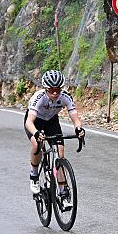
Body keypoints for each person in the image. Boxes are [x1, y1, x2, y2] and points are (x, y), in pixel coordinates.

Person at [24, 70, 85, 207]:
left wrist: (78, 129)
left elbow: (75, 118)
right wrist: (36, 133)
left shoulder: (65, 97)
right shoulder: (38, 98)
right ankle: (34, 176)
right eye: (52, 90)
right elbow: (29, 122)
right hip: (35, 122)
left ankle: (63, 194)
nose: (55, 93)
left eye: (58, 90)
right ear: (46, 88)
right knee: (37, 145)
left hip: (51, 121)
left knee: (60, 156)